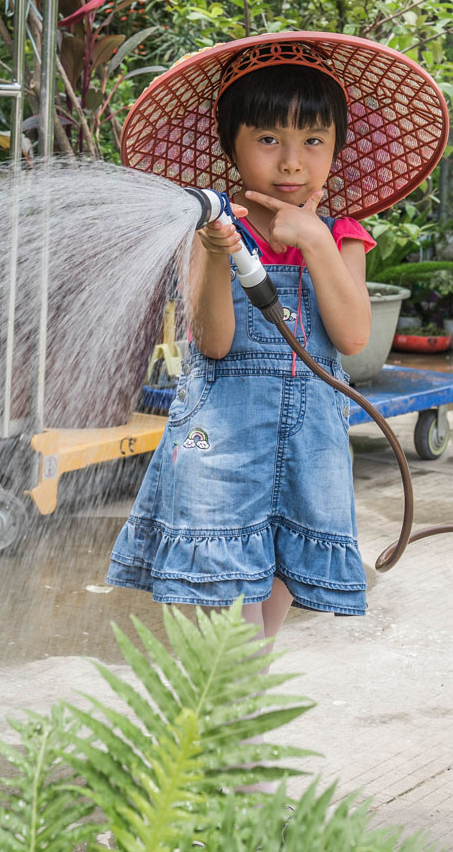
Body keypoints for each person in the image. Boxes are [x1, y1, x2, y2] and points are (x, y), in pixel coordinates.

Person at [107, 33, 449, 649]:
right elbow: (213, 343)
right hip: (223, 437)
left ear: (336, 148)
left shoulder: (342, 234)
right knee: (226, 605)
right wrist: (217, 255)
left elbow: (350, 334)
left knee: (270, 605)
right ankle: (223, 727)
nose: (292, 161)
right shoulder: (211, 227)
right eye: (269, 140)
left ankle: (235, 723)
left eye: (313, 141)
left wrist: (314, 240)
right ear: (231, 147)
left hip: (309, 439)